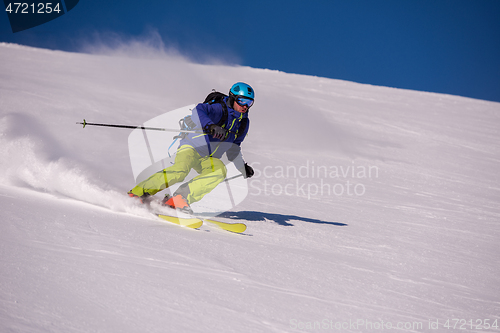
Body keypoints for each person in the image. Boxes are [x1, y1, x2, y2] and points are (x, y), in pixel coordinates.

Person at [128, 82, 255, 213]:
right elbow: (198, 110)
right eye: (242, 101)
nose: (245, 106)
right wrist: (210, 126)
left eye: (249, 103)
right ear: (233, 98)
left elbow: (233, 147)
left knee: (219, 171)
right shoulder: (219, 109)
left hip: (208, 157)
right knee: (180, 171)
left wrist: (242, 167)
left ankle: (178, 199)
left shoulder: (243, 123)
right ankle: (138, 192)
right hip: (192, 147)